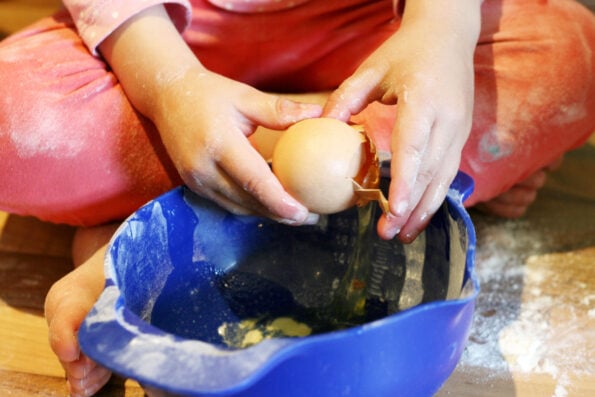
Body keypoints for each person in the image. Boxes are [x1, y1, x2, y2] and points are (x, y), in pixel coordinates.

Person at [1, 0, 594, 395]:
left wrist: (443, 32)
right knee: (13, 117)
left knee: (575, 55)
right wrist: (170, 88)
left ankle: (174, 203)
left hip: (373, 35)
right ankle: (399, 161)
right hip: (163, 37)